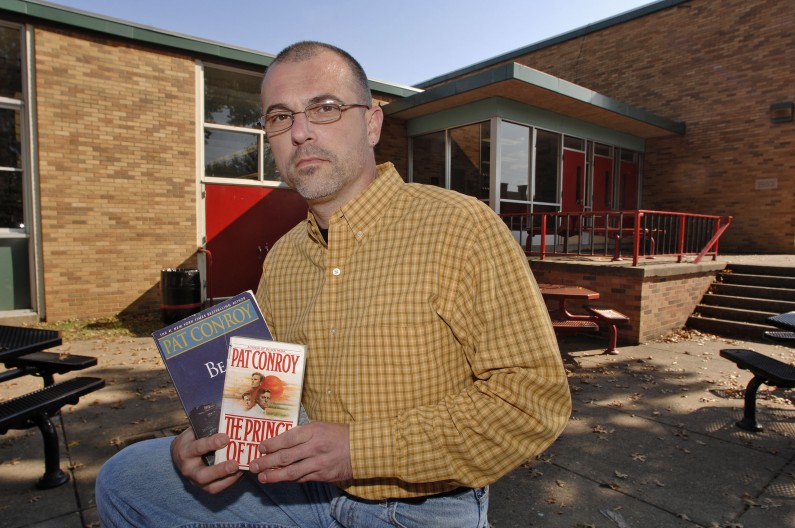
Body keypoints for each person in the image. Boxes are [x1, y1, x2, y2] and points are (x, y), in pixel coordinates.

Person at [96, 41, 571, 527]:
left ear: (371, 123)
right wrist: (208, 436)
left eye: (324, 108)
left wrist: (358, 449)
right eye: (280, 117)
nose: (300, 132)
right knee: (127, 478)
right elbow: (261, 390)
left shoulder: (461, 228)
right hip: (302, 485)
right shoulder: (282, 258)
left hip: (423, 506)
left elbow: (531, 399)